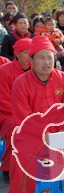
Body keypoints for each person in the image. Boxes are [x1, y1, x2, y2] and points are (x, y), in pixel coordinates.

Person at [10, 36, 64, 192]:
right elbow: (23, 116)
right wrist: (43, 135)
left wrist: (63, 132)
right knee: (21, 159)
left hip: (62, 132)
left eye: (49, 57)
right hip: (32, 136)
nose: (47, 62)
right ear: (31, 60)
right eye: (41, 58)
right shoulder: (21, 82)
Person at [0, 38, 31, 180]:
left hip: (33, 114)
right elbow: (3, 101)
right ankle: (8, 167)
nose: (30, 56)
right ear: (17, 54)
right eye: (26, 52)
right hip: (7, 114)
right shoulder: (4, 71)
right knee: (17, 128)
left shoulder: (38, 72)